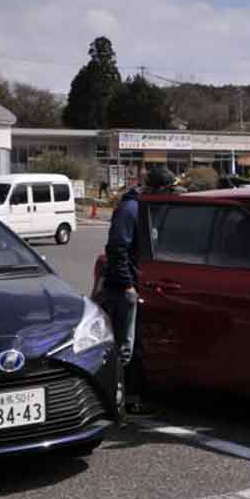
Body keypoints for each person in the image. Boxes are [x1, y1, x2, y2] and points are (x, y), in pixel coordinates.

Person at [100, 166, 176, 419]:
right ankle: (118, 402)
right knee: (125, 348)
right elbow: (117, 248)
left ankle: (129, 398)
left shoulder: (144, 209)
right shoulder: (130, 209)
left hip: (135, 283)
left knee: (133, 347)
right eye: (168, 189)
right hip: (123, 288)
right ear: (157, 189)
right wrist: (127, 285)